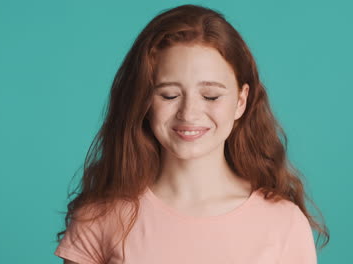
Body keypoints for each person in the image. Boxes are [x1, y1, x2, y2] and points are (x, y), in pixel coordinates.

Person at [54, 4, 329, 264]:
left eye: (210, 96)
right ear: (144, 101)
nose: (189, 113)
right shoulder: (99, 217)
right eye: (169, 94)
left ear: (241, 101)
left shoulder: (283, 223)